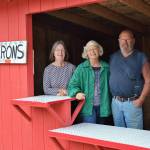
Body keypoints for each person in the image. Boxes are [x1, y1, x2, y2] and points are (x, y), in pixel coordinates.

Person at [109, 30, 150, 129]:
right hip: (116, 103)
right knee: (119, 134)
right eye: (122, 40)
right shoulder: (113, 57)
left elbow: (148, 80)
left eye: (128, 39)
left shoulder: (141, 57)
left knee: (135, 136)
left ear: (133, 41)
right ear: (119, 41)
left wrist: (141, 99)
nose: (125, 42)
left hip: (132, 103)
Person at [68, 40, 111, 124]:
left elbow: (114, 85)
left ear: (99, 51)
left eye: (95, 49)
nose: (92, 51)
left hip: (103, 106)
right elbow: (72, 86)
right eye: (89, 50)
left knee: (101, 132)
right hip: (87, 106)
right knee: (90, 132)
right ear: (86, 53)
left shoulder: (107, 68)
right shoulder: (81, 68)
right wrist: (77, 93)